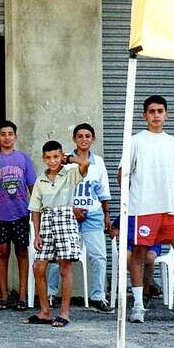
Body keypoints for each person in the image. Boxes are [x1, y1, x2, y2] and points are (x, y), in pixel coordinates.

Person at [118, 95, 174, 323]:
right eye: (152, 111)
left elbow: (168, 176)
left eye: (160, 111)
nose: (156, 115)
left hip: (168, 208)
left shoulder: (172, 142)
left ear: (167, 115)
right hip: (142, 207)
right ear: (144, 115)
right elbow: (122, 174)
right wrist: (128, 204)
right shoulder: (135, 141)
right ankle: (137, 305)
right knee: (139, 254)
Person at [47, 123, 114, 313]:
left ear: (93, 139)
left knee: (98, 256)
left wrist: (106, 213)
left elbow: (103, 191)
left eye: (87, 136)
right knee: (60, 255)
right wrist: (72, 208)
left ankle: (98, 297)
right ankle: (51, 294)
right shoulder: (65, 161)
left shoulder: (98, 162)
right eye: (80, 136)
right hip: (68, 213)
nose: (84, 139)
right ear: (74, 139)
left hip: (93, 214)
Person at [24, 140, 89, 327]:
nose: (52, 161)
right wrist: (36, 234)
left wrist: (70, 159)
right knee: (39, 266)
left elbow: (85, 164)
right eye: (48, 158)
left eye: (56, 157)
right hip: (46, 221)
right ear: (44, 159)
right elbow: (35, 210)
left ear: (61, 157)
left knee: (64, 266)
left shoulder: (70, 175)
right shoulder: (40, 180)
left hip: (65, 218)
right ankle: (45, 311)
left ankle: (65, 312)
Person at [0, 121, 37, 311]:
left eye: (10, 133)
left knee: (22, 252)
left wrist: (35, 211)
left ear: (15, 136)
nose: (7, 137)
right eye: (3, 133)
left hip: (21, 213)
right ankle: (3, 296)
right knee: (1, 253)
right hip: (0, 213)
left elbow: (33, 187)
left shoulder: (23, 159)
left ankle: (23, 295)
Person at [111, 215, 163, 307]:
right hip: (130, 243)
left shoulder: (155, 211)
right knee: (124, 257)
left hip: (151, 243)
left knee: (149, 258)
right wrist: (115, 231)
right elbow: (114, 226)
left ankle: (145, 293)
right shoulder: (128, 211)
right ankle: (147, 280)